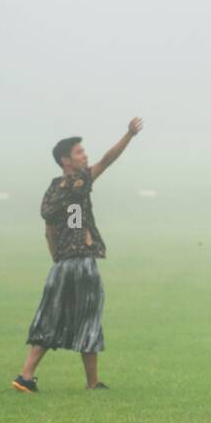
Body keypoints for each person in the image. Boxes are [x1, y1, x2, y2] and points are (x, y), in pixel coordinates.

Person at [13, 118, 143, 392]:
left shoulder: (52, 190)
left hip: (60, 265)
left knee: (49, 317)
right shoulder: (80, 181)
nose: (85, 156)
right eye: (79, 153)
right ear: (65, 160)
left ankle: (25, 376)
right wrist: (128, 135)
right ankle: (93, 383)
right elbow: (107, 160)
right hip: (83, 264)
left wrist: (57, 259)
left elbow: (48, 231)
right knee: (89, 318)